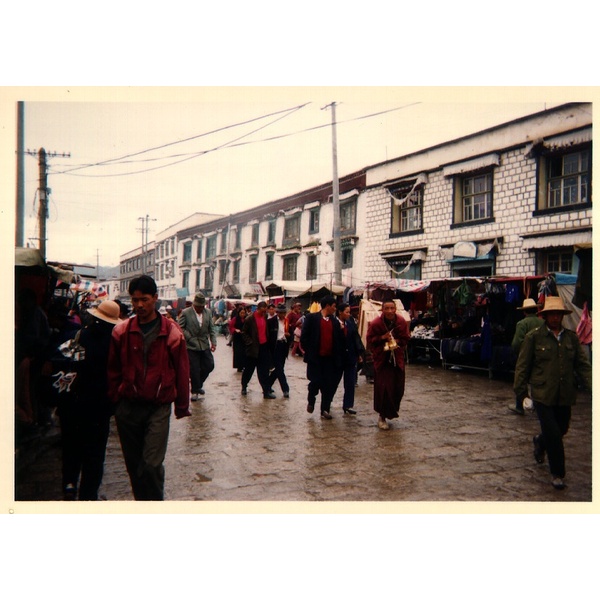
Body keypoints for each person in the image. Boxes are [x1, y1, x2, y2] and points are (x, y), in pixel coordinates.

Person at [108, 275, 191, 501]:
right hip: (128, 408)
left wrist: (182, 406)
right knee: (134, 467)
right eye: (135, 301)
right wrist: (116, 401)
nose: (139, 306)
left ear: (155, 298)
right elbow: (113, 371)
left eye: (144, 300)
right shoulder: (121, 332)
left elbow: (182, 372)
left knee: (152, 465)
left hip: (158, 408)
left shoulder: (172, 333)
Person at [513, 296, 592, 490]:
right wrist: (521, 393)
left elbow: (583, 366)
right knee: (554, 435)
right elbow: (522, 366)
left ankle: (540, 441)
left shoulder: (571, 338)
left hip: (565, 394)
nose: (555, 318)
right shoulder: (534, 337)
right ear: (545, 316)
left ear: (562, 316)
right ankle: (558, 473)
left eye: (558, 314)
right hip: (542, 394)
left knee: (562, 428)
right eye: (551, 314)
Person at [56, 299, 120, 500]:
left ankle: (69, 484)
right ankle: (88, 494)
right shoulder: (115, 344)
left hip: (72, 403)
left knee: (71, 447)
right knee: (94, 454)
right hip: (99, 407)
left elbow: (58, 359)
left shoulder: (76, 336)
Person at [366, 299, 410, 430]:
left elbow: (406, 338)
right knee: (384, 389)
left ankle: (391, 411)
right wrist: (382, 338)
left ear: (395, 309)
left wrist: (396, 341)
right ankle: (382, 416)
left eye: (392, 308)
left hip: (397, 360)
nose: (390, 311)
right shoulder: (376, 323)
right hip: (382, 361)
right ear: (382, 310)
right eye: (387, 308)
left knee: (398, 388)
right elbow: (370, 340)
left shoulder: (401, 321)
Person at [300, 295, 344, 419]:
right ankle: (311, 400)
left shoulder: (335, 322)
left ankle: (325, 409)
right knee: (315, 382)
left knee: (328, 385)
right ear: (327, 306)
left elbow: (339, 341)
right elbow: (304, 337)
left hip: (330, 360)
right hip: (316, 359)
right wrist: (309, 352)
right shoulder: (312, 318)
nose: (335, 309)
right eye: (334, 306)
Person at [178, 293, 217, 401]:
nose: (200, 308)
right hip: (191, 345)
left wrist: (213, 342)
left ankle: (198, 384)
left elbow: (211, 329)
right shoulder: (186, 313)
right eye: (198, 306)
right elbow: (180, 327)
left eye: (202, 306)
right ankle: (195, 391)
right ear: (194, 305)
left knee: (209, 365)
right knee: (194, 368)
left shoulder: (208, 312)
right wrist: (189, 338)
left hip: (204, 344)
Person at [508, 298, 544, 415]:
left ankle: (520, 406)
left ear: (524, 312)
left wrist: (520, 354)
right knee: (538, 381)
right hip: (541, 356)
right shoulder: (542, 322)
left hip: (527, 358)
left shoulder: (522, 324)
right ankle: (540, 406)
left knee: (521, 380)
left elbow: (516, 343)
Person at [241, 301, 276, 398]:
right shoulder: (250, 319)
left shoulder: (265, 317)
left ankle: (266, 391)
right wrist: (250, 342)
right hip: (253, 348)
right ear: (258, 309)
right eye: (262, 311)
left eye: (265, 311)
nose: (264, 313)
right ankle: (244, 386)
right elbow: (244, 332)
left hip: (263, 347)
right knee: (249, 369)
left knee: (264, 371)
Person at [337, 302, 365, 415]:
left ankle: (348, 405)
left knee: (350, 382)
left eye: (349, 312)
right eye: (346, 312)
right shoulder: (333, 323)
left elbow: (356, 338)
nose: (349, 314)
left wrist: (359, 354)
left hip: (350, 357)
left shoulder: (350, 322)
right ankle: (326, 405)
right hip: (338, 358)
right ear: (340, 312)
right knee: (333, 382)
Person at [268, 304, 291, 398]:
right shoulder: (271, 322)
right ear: (277, 313)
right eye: (281, 313)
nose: (283, 315)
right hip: (275, 347)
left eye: (284, 313)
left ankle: (267, 384)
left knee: (279, 369)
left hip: (283, 346)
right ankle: (285, 389)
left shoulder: (286, 321)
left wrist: (289, 336)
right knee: (279, 369)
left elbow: (291, 333)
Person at [229, 305, 247, 372]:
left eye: (244, 313)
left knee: (244, 352)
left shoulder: (246, 319)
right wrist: (235, 330)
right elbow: (231, 326)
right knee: (238, 352)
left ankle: (244, 365)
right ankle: (239, 366)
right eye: (241, 313)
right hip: (237, 338)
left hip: (244, 338)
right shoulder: (235, 319)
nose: (242, 314)